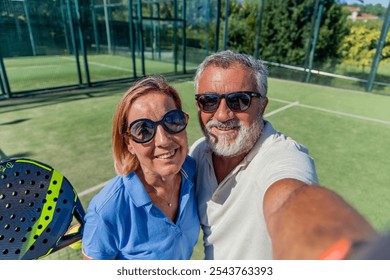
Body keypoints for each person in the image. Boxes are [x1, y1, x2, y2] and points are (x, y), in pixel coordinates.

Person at [189, 50, 377, 260]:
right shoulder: (198, 152)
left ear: (262, 105)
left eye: (239, 100)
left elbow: (289, 197)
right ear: (198, 105)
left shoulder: (284, 155)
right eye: (209, 101)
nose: (222, 114)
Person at [82, 76, 199, 259]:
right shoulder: (107, 210)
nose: (163, 140)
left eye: (172, 120)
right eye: (143, 130)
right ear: (129, 143)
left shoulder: (193, 171)